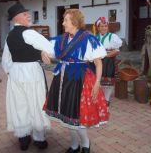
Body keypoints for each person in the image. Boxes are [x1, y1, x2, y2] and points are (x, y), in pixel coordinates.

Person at [43, 9, 109, 153]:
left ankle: (85, 144)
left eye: (65, 20)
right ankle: (74, 145)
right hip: (62, 79)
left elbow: (98, 63)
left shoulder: (88, 39)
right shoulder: (61, 39)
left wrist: (97, 83)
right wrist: (43, 52)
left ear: (74, 21)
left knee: (76, 115)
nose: (63, 23)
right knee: (66, 114)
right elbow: (48, 48)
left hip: (80, 80)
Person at [2, 2, 54, 151]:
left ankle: (23, 138)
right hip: (31, 72)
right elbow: (50, 49)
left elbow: (6, 61)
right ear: (17, 18)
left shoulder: (9, 36)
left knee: (20, 105)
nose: (28, 15)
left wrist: (12, 73)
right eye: (25, 14)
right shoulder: (29, 33)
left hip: (16, 74)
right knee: (36, 103)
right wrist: (42, 53)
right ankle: (39, 138)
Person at [95, 17, 122, 105]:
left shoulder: (112, 37)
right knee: (98, 80)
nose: (104, 28)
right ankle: (99, 97)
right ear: (98, 27)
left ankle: (106, 99)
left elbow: (116, 50)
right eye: (101, 26)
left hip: (108, 61)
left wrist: (105, 55)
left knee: (108, 81)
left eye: (105, 26)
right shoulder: (95, 37)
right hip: (97, 61)